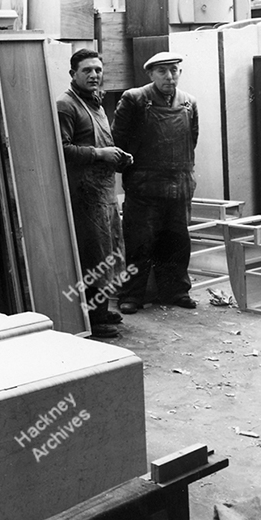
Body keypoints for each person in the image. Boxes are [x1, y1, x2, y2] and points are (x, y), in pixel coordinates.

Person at [113, 51, 199, 312]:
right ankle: (132, 295)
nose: (169, 76)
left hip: (179, 185)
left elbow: (191, 141)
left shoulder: (189, 103)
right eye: (162, 71)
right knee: (139, 244)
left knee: (177, 243)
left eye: (173, 70)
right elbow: (119, 140)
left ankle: (175, 292)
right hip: (144, 186)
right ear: (150, 74)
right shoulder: (135, 99)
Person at [56, 50, 132, 339]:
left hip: (103, 191)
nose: (94, 75)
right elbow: (61, 150)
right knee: (93, 254)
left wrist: (119, 157)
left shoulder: (96, 103)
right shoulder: (66, 105)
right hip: (83, 194)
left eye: (98, 70)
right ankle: (94, 318)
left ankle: (101, 308)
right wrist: (100, 153)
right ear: (73, 74)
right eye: (87, 70)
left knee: (110, 249)